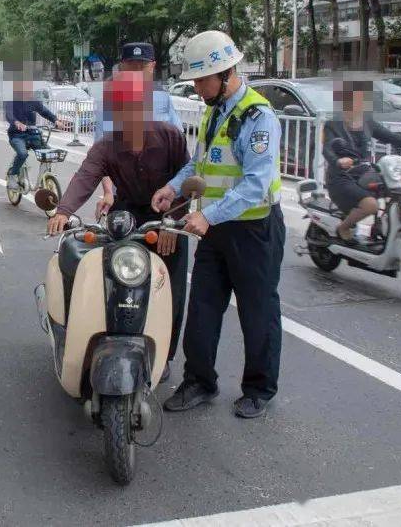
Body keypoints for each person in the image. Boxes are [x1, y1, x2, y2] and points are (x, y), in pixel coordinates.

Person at [151, 30, 285, 420]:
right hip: (213, 229)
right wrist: (171, 188)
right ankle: (199, 381)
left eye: (201, 79)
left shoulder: (258, 117)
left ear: (226, 73)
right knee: (204, 307)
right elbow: (199, 165)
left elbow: (257, 184)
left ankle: (259, 389)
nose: (195, 87)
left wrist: (207, 214)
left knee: (257, 312)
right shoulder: (214, 111)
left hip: (254, 230)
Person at [48, 70, 191, 372]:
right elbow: (86, 175)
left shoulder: (170, 137)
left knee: (170, 288)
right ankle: (111, 340)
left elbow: (185, 179)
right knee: (114, 277)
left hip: (166, 214)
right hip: (127, 212)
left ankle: (163, 357)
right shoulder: (108, 145)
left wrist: (174, 222)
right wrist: (63, 210)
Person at [324, 77, 401, 241]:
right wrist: (338, 161)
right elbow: (327, 149)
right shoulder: (332, 125)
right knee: (371, 205)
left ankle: (383, 228)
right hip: (341, 177)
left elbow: (389, 136)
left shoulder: (367, 122)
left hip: (364, 173)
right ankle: (342, 228)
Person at [92, 43, 185, 220]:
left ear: (152, 66)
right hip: (128, 200)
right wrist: (108, 192)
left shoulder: (163, 99)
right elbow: (103, 155)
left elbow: (181, 156)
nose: (137, 73)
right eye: (131, 67)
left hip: (164, 201)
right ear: (122, 68)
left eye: (141, 67)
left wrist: (174, 203)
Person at [6, 76, 57, 188]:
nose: (29, 92)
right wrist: (16, 122)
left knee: (49, 153)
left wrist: (56, 120)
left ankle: (43, 178)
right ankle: (12, 176)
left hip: (33, 135)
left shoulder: (33, 101)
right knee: (22, 153)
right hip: (17, 135)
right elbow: (9, 114)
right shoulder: (11, 100)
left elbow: (45, 112)